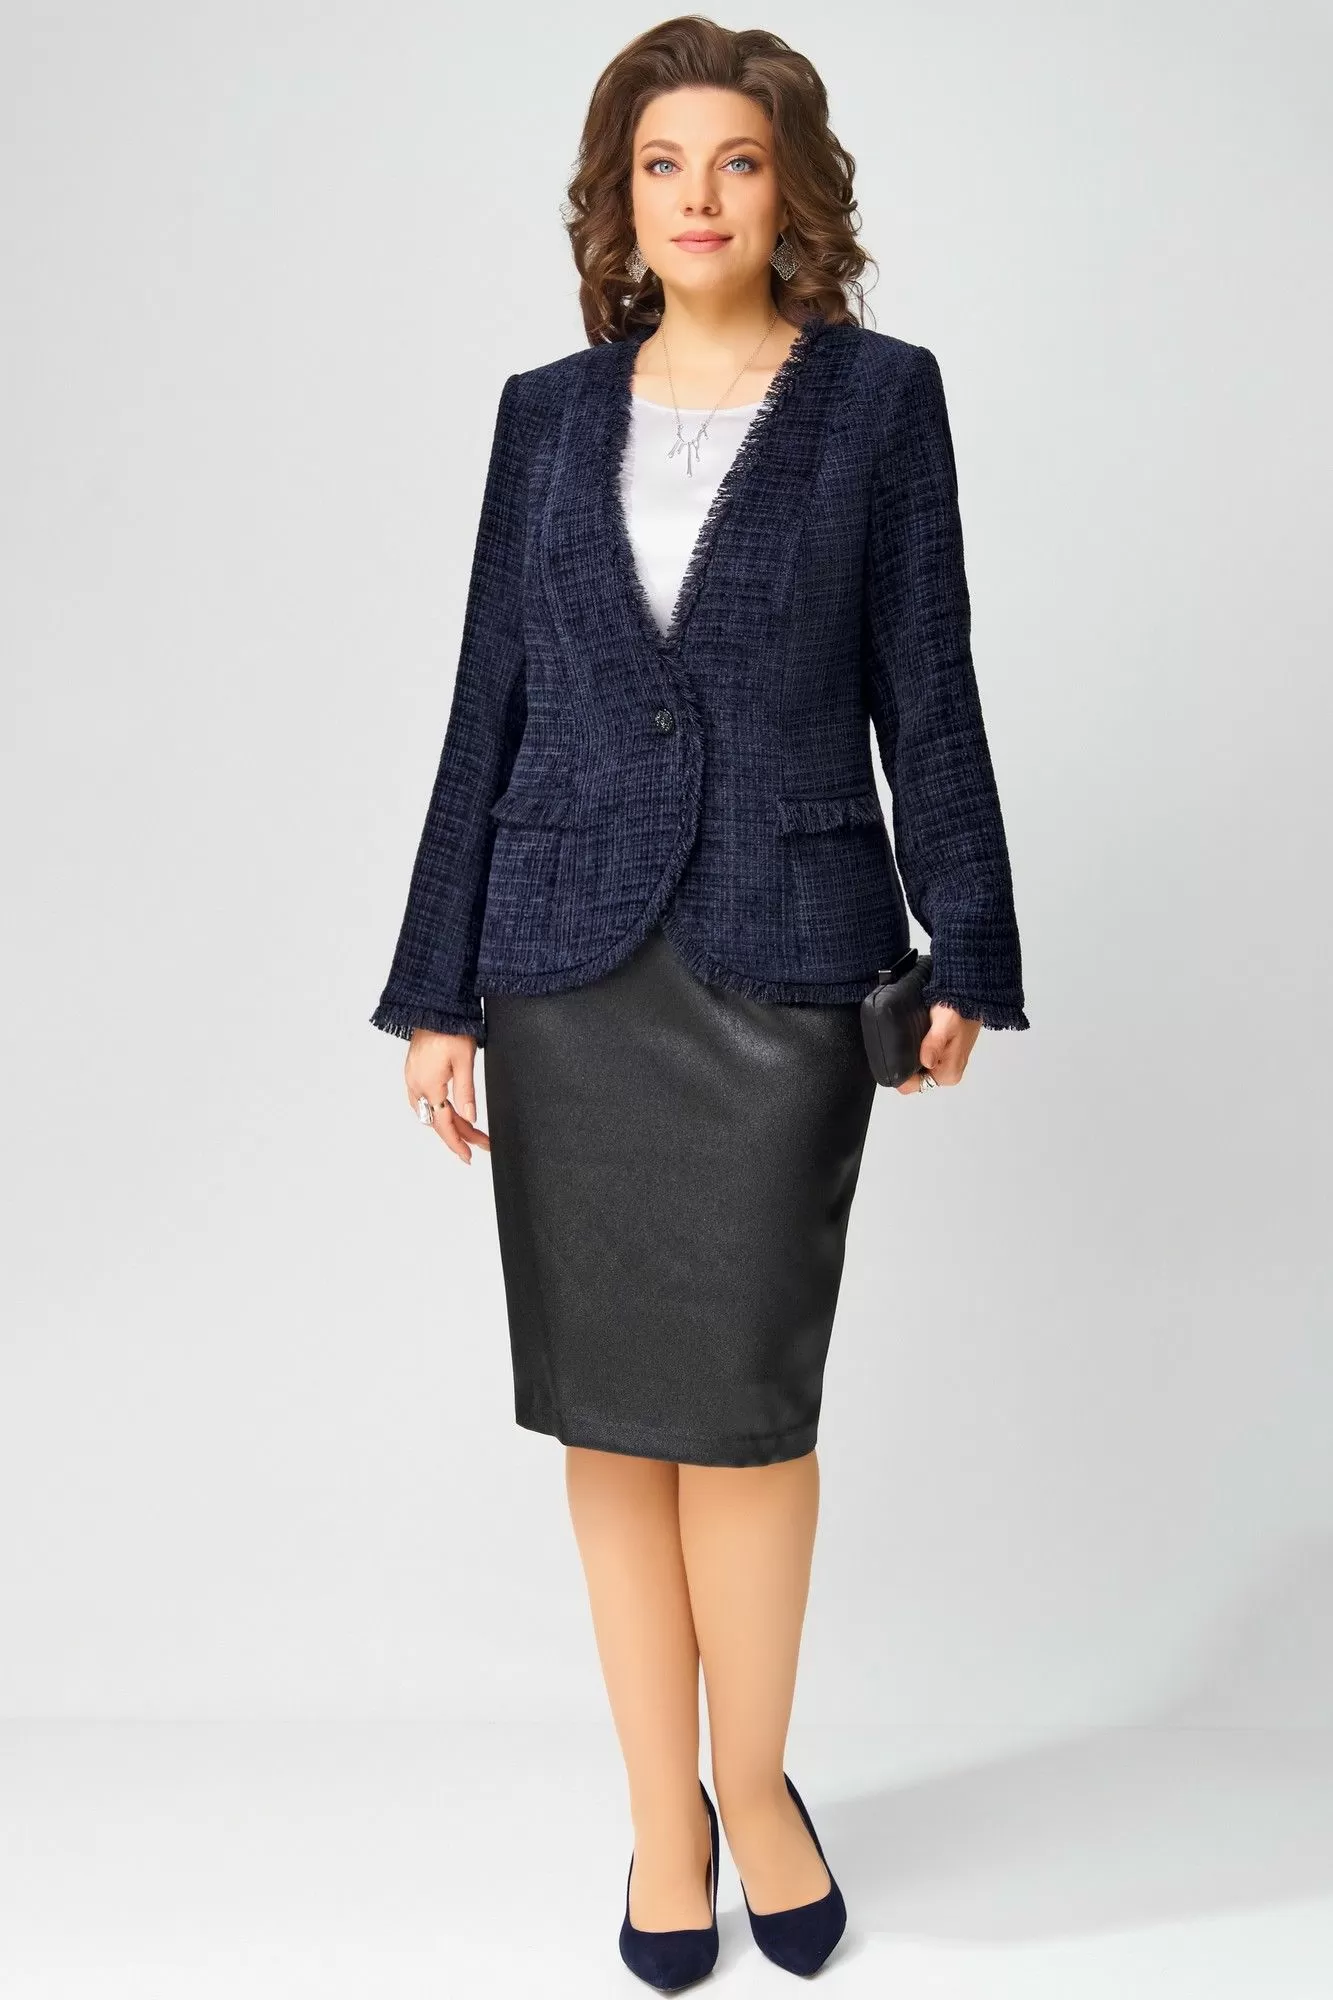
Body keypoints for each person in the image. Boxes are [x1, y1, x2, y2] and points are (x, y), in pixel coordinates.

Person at [368, 17, 1028, 1988]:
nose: (700, 196)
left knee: (743, 1416)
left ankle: (758, 1782)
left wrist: (968, 942)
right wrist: (437, 990)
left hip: (785, 949)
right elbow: (488, 701)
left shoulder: (881, 401)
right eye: (663, 164)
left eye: (737, 159)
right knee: (609, 1417)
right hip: (562, 965)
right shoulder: (542, 417)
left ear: (793, 187)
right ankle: (665, 1819)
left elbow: (928, 680)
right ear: (620, 199)